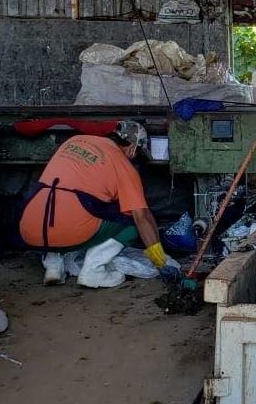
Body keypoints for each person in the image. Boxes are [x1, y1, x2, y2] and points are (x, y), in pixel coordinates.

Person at [17, 120, 178, 287]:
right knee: (131, 221)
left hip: (30, 228)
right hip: (68, 232)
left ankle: (53, 266)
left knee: (60, 200)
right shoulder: (123, 165)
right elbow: (141, 217)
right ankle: (93, 271)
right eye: (138, 152)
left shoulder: (73, 142)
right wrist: (160, 261)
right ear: (132, 148)